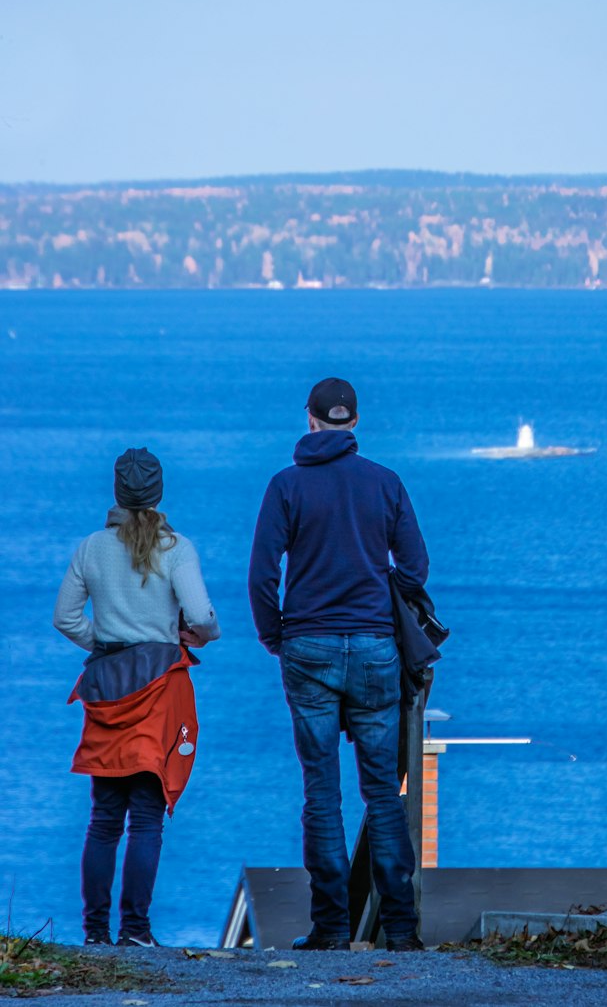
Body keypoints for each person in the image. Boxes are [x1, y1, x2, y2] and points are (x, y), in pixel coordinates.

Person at [249, 377, 429, 952]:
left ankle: (330, 926)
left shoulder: (285, 486)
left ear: (310, 420)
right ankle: (400, 928)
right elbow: (416, 568)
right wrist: (381, 593)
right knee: (383, 791)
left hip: (308, 648)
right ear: (354, 422)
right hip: (377, 647)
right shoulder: (385, 482)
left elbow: (261, 576)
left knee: (321, 791)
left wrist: (275, 633)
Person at [53, 447, 220, 948]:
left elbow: (65, 618)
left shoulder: (91, 547)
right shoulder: (178, 548)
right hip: (160, 687)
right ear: (159, 492)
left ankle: (95, 933)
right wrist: (188, 636)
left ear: (117, 491)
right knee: (147, 816)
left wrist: (105, 644)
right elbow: (203, 616)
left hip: (107, 686)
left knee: (105, 818)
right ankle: (136, 931)